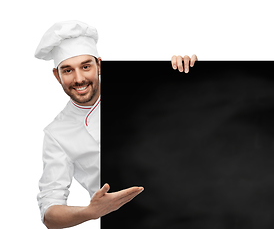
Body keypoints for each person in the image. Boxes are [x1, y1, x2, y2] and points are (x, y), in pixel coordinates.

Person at [35, 20, 197, 229]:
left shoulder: (140, 91)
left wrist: (184, 72)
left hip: (193, 209)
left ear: (99, 65)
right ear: (57, 76)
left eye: (86, 66)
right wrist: (90, 212)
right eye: (67, 70)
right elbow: (49, 212)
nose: (79, 78)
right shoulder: (57, 133)